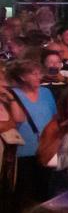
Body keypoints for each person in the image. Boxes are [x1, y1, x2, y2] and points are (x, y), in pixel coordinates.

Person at [2, 57, 58, 202]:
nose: (38, 76)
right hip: (23, 152)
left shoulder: (46, 92)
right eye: (33, 74)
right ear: (22, 76)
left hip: (45, 150)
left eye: (39, 73)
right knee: (24, 196)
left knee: (46, 194)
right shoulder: (12, 94)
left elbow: (54, 117)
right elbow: (15, 120)